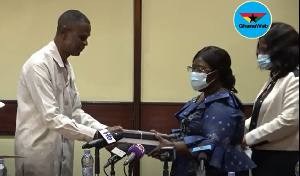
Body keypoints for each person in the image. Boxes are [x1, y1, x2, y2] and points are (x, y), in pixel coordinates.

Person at [14, 10, 123, 176]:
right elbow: (51, 117)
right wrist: (95, 134)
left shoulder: (67, 67)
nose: (86, 43)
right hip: (38, 159)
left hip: (62, 157)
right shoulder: (38, 65)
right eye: (82, 37)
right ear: (64, 32)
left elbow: (75, 112)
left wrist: (104, 130)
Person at [149, 46, 256, 176]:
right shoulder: (203, 97)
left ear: (217, 73)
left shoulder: (222, 105)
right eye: (192, 69)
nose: (194, 73)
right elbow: (191, 131)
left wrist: (173, 147)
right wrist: (166, 138)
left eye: (200, 69)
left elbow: (212, 145)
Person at [242, 22, 299, 176]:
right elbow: (260, 116)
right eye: (259, 49)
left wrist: (247, 138)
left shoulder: (295, 78)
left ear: (282, 50)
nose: (260, 54)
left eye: (265, 49)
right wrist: (237, 130)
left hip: (284, 158)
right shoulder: (276, 76)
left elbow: (289, 121)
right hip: (265, 155)